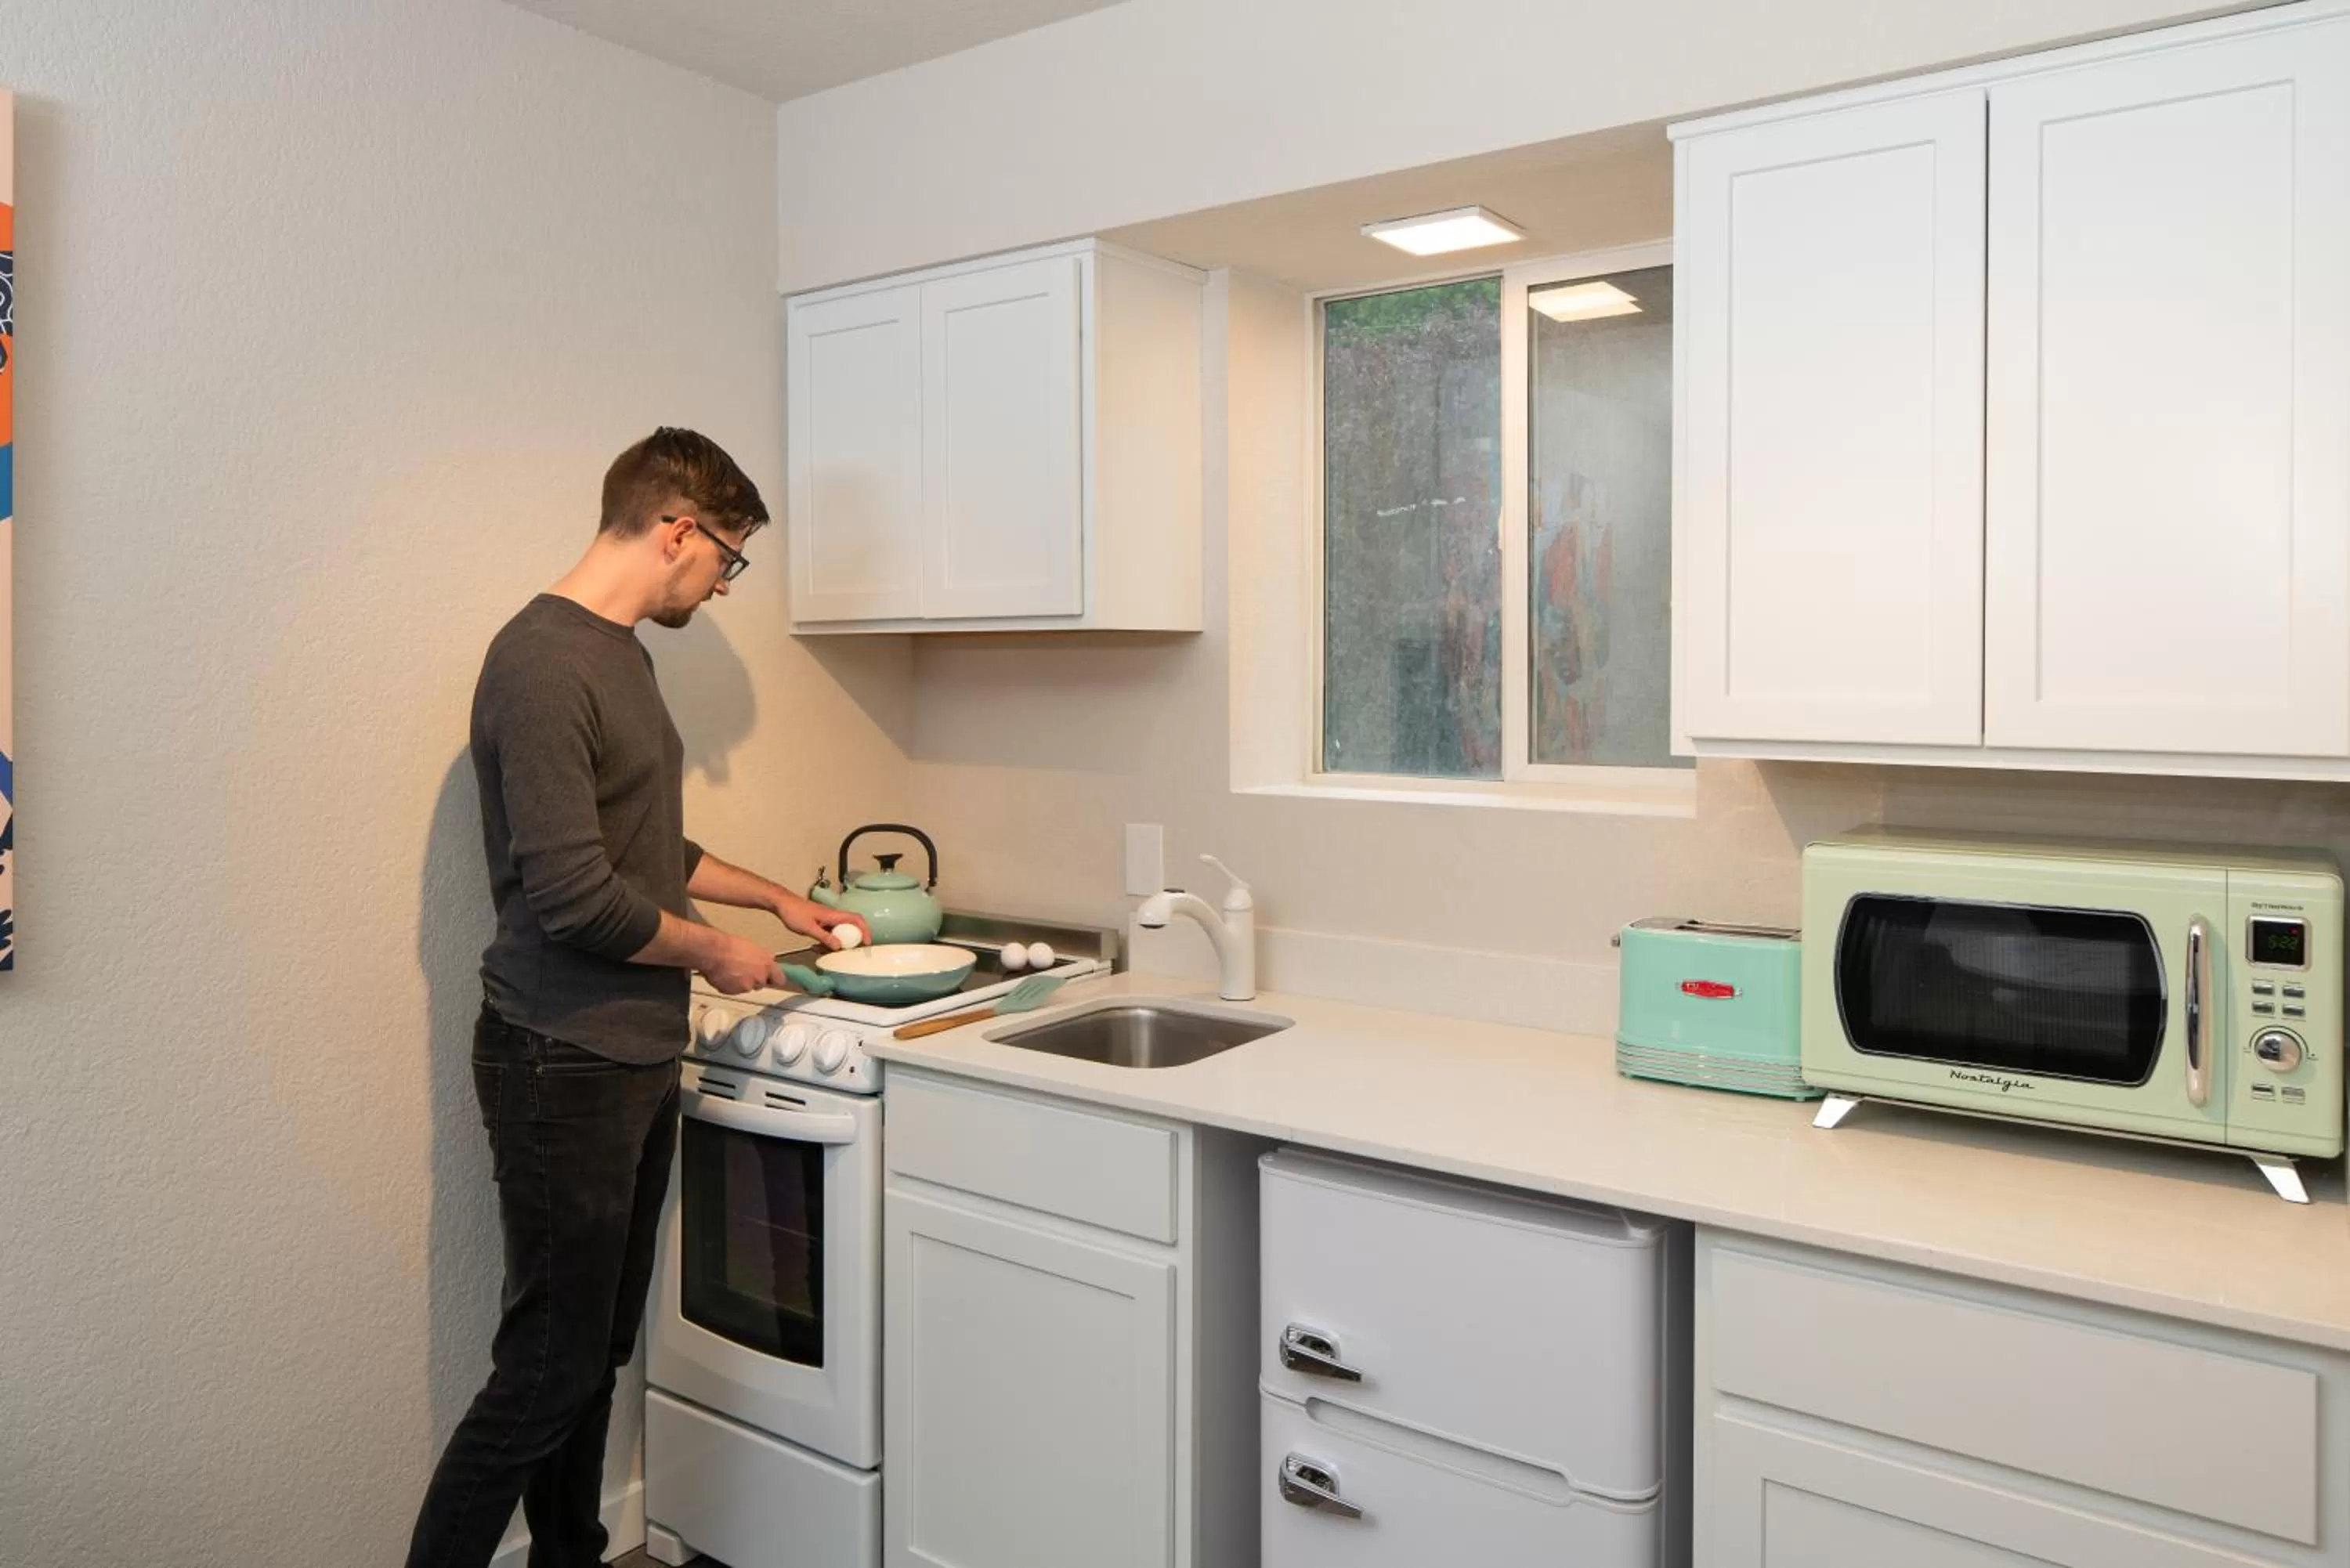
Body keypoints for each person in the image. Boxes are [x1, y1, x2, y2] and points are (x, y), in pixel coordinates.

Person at [407, 427, 867, 1568]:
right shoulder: (541, 664)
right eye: (727, 559)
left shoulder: (620, 657)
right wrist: (713, 952)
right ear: (676, 530)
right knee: (544, 1367)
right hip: (560, 1057)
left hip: (627, 1054)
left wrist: (778, 900)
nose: (723, 585)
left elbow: (646, 846)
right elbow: (574, 897)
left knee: (593, 1352)